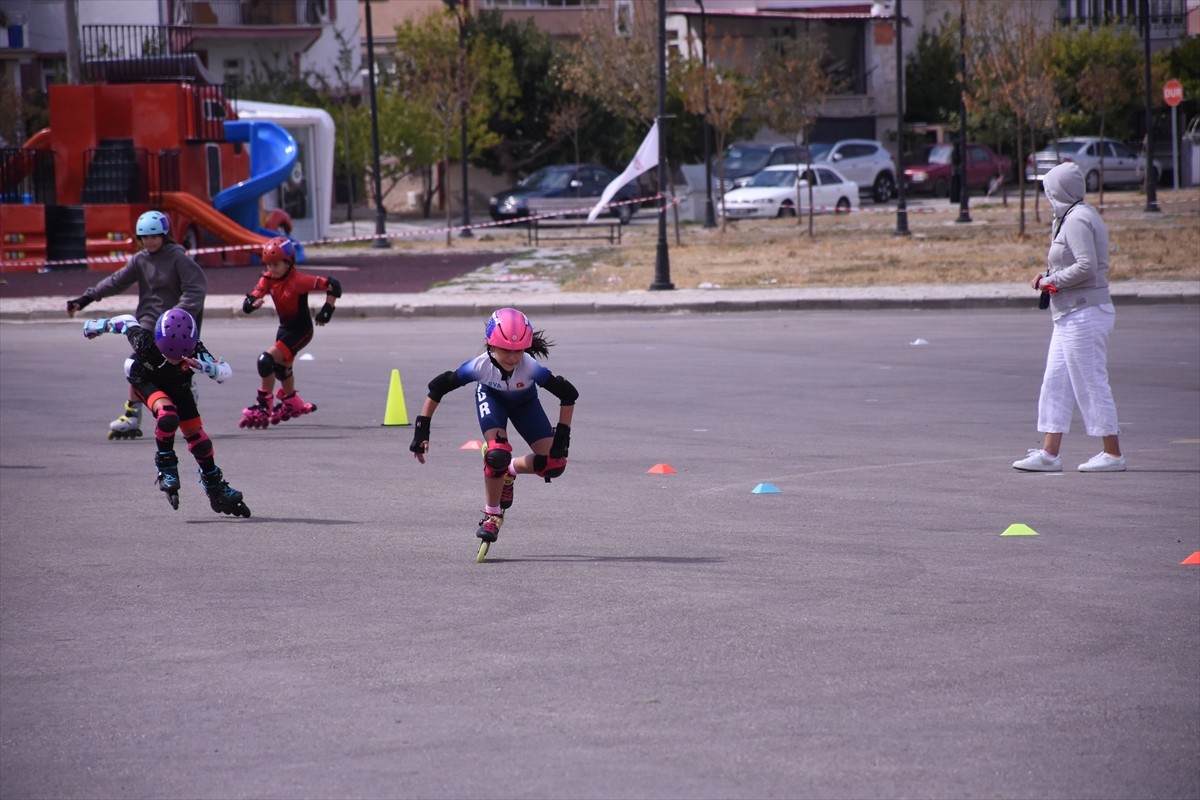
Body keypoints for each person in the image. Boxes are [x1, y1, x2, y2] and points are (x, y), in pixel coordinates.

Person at [409, 308, 578, 546]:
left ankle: (511, 469)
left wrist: (562, 437)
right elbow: (438, 387)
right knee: (496, 454)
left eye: (518, 350)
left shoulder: (530, 367)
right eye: (506, 350)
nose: (512, 358)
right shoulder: (479, 366)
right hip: (492, 399)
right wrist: (422, 430)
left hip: (525, 404)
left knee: (554, 464)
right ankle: (492, 515)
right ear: (491, 344)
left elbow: (568, 394)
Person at [81, 308, 250, 516]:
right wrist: (95, 327)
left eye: (180, 357)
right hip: (145, 382)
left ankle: (214, 485)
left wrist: (203, 366)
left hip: (179, 389)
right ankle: (166, 467)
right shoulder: (144, 342)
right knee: (167, 416)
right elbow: (125, 322)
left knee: (201, 442)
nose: (174, 360)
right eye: (168, 355)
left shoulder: (196, 351)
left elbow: (225, 373)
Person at [1013, 161, 1124, 473]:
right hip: (1070, 313)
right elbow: (1072, 262)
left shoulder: (1077, 219)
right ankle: (1049, 454)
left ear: (1059, 191)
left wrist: (1052, 281)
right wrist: (1049, 275)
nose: (1047, 196)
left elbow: (1087, 266)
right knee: (1055, 383)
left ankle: (1113, 454)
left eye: (1049, 190)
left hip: (1084, 312)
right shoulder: (1070, 216)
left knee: (1091, 383)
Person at [66, 210, 207, 440]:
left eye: (154, 236)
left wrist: (176, 316)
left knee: (144, 367)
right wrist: (86, 298)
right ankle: (133, 414)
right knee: (136, 365)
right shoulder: (140, 260)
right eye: (144, 237)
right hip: (148, 325)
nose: (149, 241)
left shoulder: (178, 258)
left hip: (172, 330)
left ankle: (177, 392)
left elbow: (196, 289)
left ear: (164, 235)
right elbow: (116, 282)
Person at [238, 236, 342, 428]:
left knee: (265, 361)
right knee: (281, 370)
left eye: (276, 264)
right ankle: (292, 402)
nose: (271, 269)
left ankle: (264, 406)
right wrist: (252, 303)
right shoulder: (268, 279)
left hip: (302, 330)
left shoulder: (299, 280)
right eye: (269, 264)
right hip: (284, 329)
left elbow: (334, 285)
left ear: (289, 262)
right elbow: (249, 301)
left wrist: (326, 311)